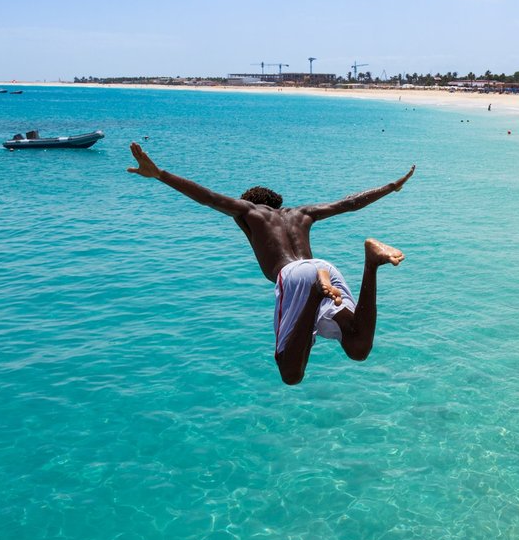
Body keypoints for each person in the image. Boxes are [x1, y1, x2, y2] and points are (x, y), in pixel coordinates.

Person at [126, 142, 414, 385]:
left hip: (296, 277)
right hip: (322, 265)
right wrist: (390, 187)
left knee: (291, 374)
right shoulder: (302, 213)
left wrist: (160, 174)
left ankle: (316, 292)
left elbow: (209, 198)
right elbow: (348, 203)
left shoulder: (249, 211)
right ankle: (371, 263)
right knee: (357, 346)